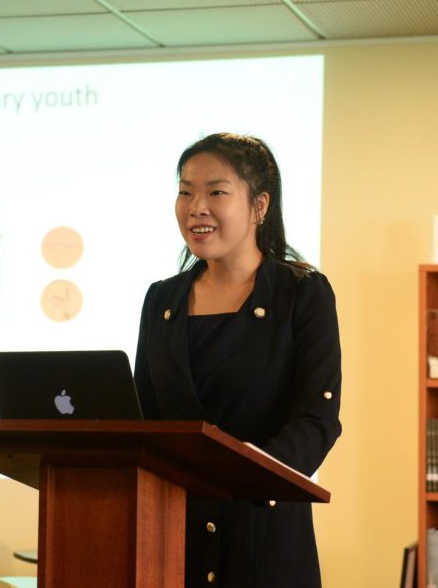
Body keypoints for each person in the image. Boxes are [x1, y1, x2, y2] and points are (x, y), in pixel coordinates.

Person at [134, 132, 342, 588]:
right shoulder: (161, 299)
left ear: (260, 206)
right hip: (173, 536)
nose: (196, 207)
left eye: (217, 192)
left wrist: (247, 472)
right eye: (185, 191)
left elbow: (317, 420)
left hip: (262, 534)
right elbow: (146, 416)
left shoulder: (301, 294)